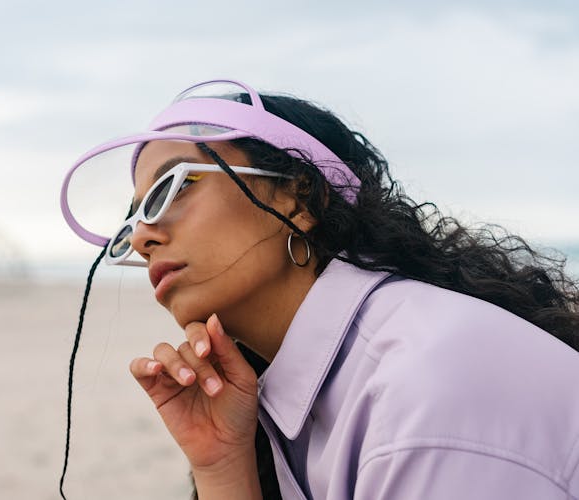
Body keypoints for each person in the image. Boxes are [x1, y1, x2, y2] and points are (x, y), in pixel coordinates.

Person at [59, 79, 579, 499]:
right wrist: (221, 466)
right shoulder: (298, 400)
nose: (145, 237)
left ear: (299, 198)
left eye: (176, 186)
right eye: (132, 221)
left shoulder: (426, 389)